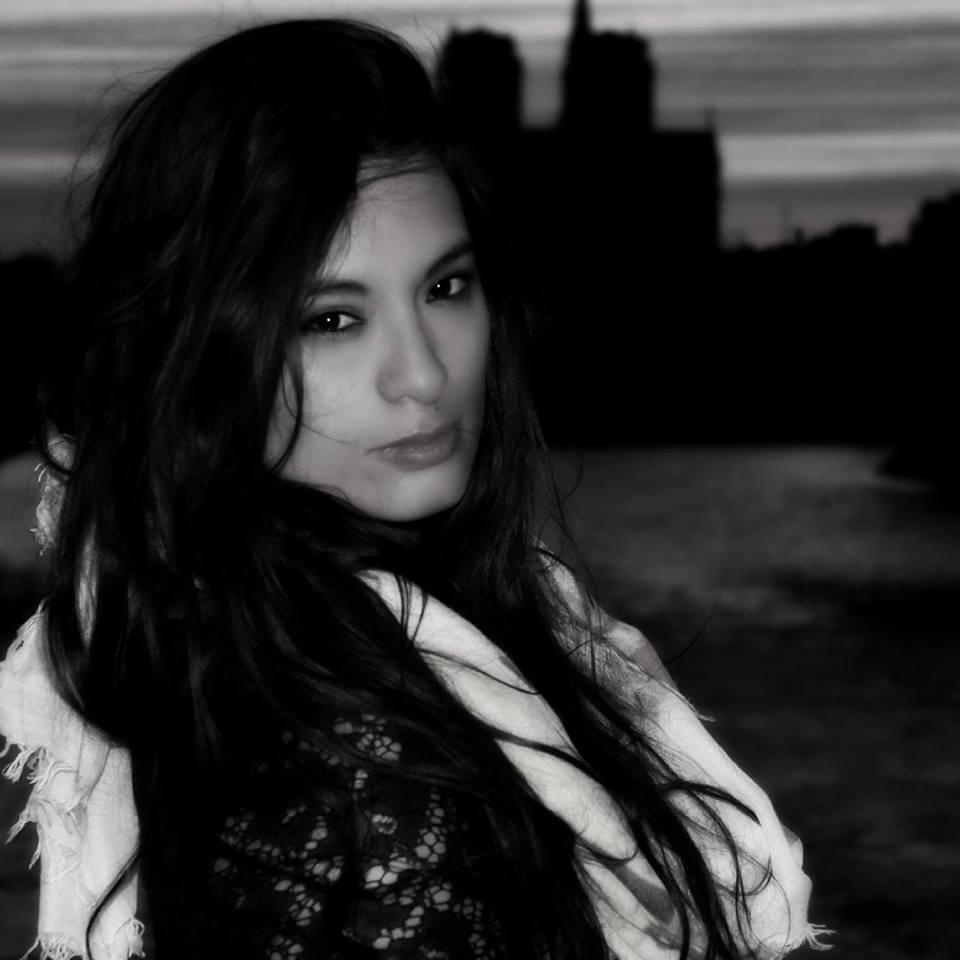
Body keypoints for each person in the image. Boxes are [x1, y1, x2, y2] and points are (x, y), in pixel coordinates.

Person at [0, 18, 829, 960]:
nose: (424, 376)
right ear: (201, 354)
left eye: (445, 289)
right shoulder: (356, 761)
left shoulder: (262, 649)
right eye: (332, 319)